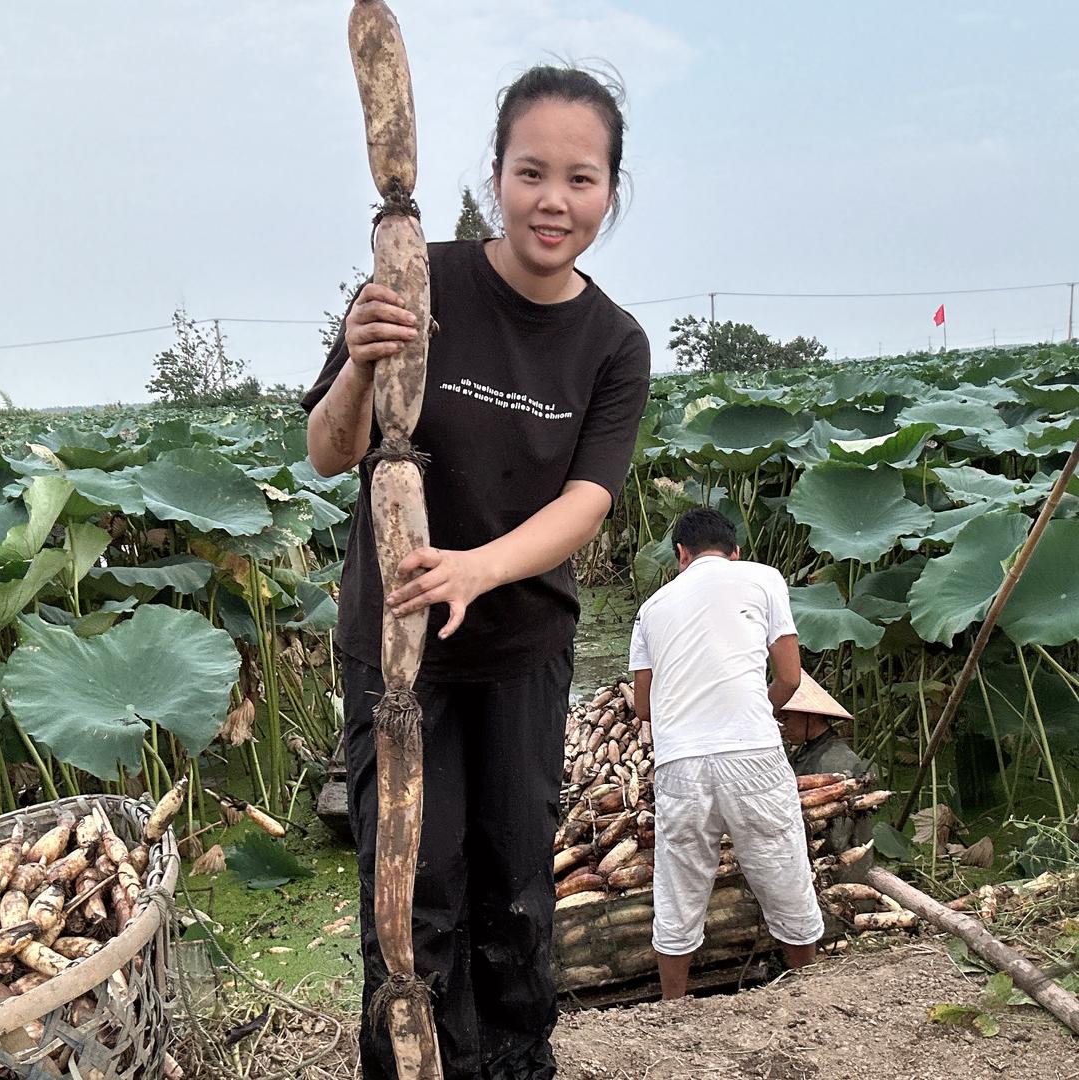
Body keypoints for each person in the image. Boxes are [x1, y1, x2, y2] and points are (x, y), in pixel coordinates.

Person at [303, 65, 650, 1080]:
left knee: (513, 893)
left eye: (581, 179)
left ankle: (513, 1063)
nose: (555, 200)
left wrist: (476, 571)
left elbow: (587, 501)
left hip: (520, 654)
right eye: (532, 171)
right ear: (495, 175)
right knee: (412, 897)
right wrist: (364, 366)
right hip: (398, 663)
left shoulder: (611, 342)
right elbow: (329, 450)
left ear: (610, 193)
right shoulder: (420, 280)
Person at [628, 508, 824, 999]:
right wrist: (763, 706)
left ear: (681, 555)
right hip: (751, 752)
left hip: (681, 763)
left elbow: (645, 708)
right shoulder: (762, 578)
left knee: (679, 886)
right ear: (734, 551)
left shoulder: (651, 609)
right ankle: (809, 988)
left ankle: (674, 1006)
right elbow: (791, 678)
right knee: (782, 871)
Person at [779, 673, 873, 880]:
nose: (782, 725)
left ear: (809, 715)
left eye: (786, 717)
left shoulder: (837, 762)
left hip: (839, 871)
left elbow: (837, 838)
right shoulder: (805, 752)